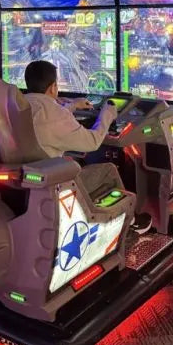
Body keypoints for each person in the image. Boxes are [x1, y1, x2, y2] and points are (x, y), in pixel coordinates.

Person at [24, 60, 152, 233]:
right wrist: (107, 114)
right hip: (55, 185)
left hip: (30, 180)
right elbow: (92, 142)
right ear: (53, 87)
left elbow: (46, 122)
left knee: (78, 163)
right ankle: (130, 224)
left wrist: (72, 106)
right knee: (108, 170)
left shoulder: (20, 105)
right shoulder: (55, 114)